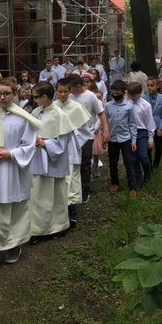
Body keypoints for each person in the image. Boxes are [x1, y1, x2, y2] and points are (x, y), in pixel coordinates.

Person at [0, 79, 41, 275]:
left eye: (6, 93)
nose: (3, 97)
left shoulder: (24, 118)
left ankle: (15, 245)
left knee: (17, 209)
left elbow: (29, 145)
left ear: (15, 94)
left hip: (14, 170)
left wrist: (10, 154)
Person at [29, 82, 74, 242]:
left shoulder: (59, 115)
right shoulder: (36, 112)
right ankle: (37, 229)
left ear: (44, 97)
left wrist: (46, 143)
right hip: (37, 160)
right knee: (38, 197)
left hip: (53, 161)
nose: (33, 100)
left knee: (55, 196)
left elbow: (63, 141)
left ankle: (57, 227)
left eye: (35, 97)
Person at [54, 78, 91, 227]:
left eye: (65, 91)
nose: (62, 94)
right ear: (56, 91)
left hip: (70, 149)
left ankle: (72, 210)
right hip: (55, 149)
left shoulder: (76, 108)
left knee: (72, 180)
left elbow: (85, 131)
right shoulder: (52, 107)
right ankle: (59, 211)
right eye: (60, 91)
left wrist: (72, 139)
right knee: (59, 181)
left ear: (70, 91)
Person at [69, 76, 110, 203]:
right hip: (72, 135)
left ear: (78, 86)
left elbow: (101, 113)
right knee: (73, 163)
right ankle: (74, 188)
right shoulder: (70, 97)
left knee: (85, 162)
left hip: (88, 134)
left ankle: (85, 190)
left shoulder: (90, 96)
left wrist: (106, 131)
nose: (68, 91)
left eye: (70, 88)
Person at [104, 80, 138, 198]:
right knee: (112, 163)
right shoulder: (108, 106)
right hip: (113, 139)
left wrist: (134, 141)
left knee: (129, 163)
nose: (115, 95)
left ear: (123, 93)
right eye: (113, 93)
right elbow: (105, 123)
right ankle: (114, 183)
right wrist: (105, 136)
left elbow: (132, 124)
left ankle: (132, 187)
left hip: (125, 138)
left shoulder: (129, 106)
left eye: (117, 93)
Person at [127, 82, 155, 187]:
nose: (132, 97)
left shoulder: (145, 105)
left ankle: (147, 171)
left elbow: (149, 121)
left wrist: (150, 137)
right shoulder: (128, 104)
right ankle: (138, 178)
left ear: (139, 93)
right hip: (130, 133)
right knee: (133, 158)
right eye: (130, 94)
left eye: (134, 95)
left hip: (142, 132)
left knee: (142, 155)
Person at [142, 77, 162, 169]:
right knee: (148, 147)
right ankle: (149, 165)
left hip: (157, 126)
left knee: (158, 147)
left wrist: (161, 128)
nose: (149, 87)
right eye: (148, 86)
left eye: (151, 85)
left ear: (157, 86)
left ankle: (156, 164)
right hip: (147, 126)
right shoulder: (143, 98)